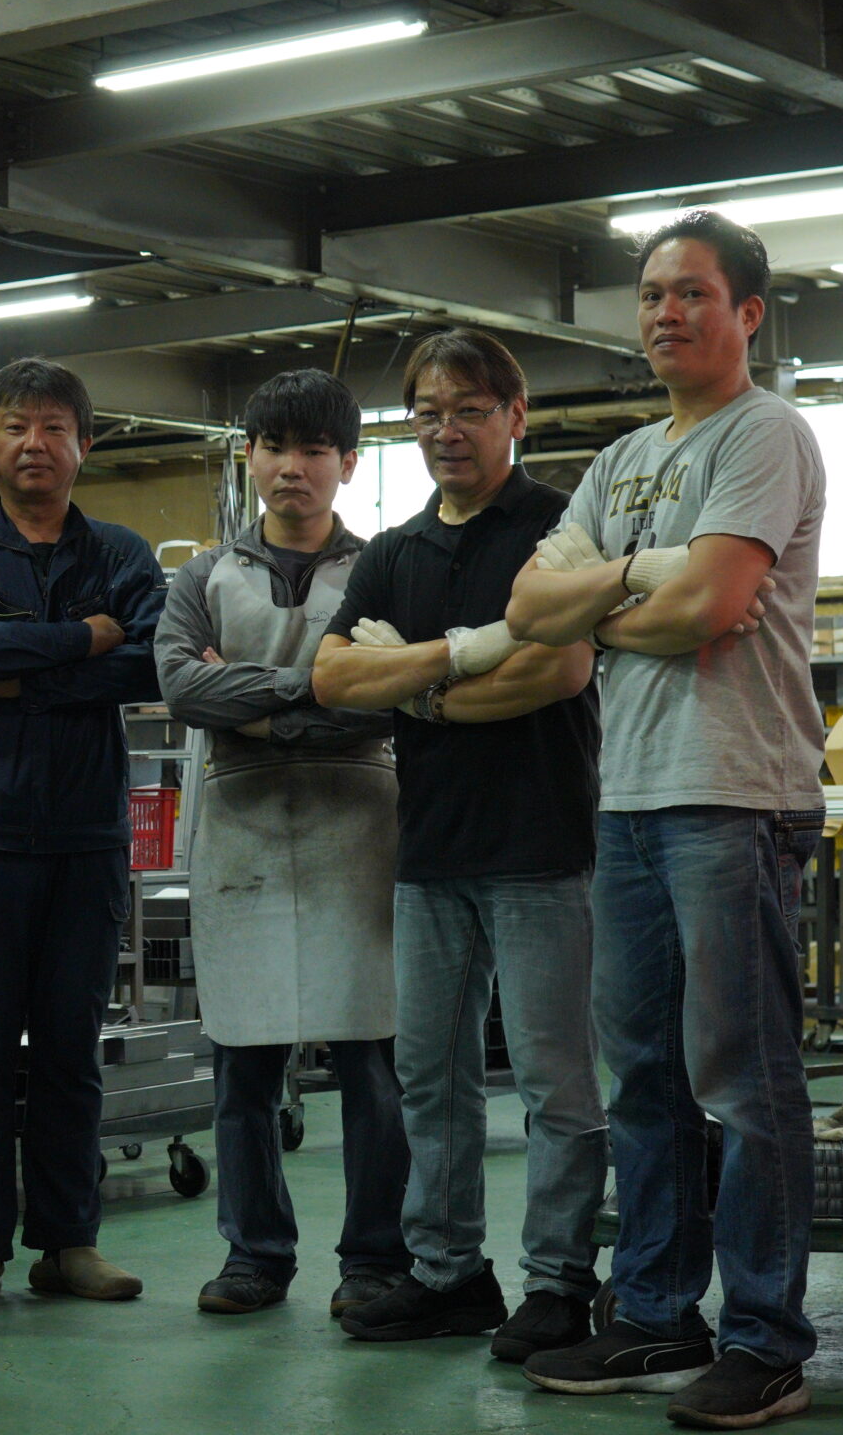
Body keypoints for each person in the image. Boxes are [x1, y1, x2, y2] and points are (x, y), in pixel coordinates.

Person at [506, 210, 823, 1430]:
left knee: (742, 1080)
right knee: (640, 1076)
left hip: (735, 793)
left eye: (690, 292)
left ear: (746, 312)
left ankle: (766, 1340)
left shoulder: (765, 432)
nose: (664, 314)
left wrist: (603, 604)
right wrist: (645, 578)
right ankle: (652, 1314)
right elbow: (529, 607)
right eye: (649, 295)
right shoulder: (620, 458)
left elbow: (714, 604)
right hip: (629, 795)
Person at [307, 329, 606, 1362]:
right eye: (428, 413)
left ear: (514, 416)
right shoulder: (394, 552)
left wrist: (416, 687)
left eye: (470, 410)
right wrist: (467, 658)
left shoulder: (559, 526)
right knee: (431, 1076)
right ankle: (447, 1275)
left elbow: (557, 670)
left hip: (542, 844)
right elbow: (333, 678)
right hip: (430, 851)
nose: (447, 431)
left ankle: (558, 1282)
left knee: (554, 1082)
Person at [153, 369, 410, 1324]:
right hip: (242, 835)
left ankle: (375, 1257)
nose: (291, 466)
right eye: (273, 446)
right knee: (244, 1060)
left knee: (373, 1064)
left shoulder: (387, 570)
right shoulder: (203, 577)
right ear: (249, 456)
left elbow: (398, 696)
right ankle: (254, 1254)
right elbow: (181, 686)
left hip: (361, 828)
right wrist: (321, 687)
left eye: (313, 449)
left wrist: (253, 702)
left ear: (348, 463)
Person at [0, 357, 163, 1307]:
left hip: (86, 837)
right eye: (16, 426)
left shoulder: (123, 554)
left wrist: (18, 673)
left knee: (68, 1046)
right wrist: (81, 638)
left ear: (84, 445)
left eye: (55, 427)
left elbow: (152, 664)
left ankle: (68, 1242)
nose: (35, 443)